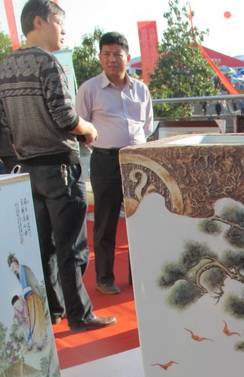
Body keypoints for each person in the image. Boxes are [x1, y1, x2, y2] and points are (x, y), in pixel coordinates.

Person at [0, 1, 116, 332]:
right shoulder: (48, 63)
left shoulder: (5, 66)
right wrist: (88, 128)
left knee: (44, 245)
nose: (63, 31)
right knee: (71, 247)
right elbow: (65, 116)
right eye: (59, 23)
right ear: (39, 21)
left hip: (26, 168)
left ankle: (54, 310)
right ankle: (80, 315)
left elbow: (3, 122)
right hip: (59, 167)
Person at [76, 32, 153, 295]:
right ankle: (104, 278)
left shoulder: (141, 89)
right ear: (100, 57)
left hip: (138, 162)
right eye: (106, 54)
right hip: (106, 161)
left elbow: (147, 126)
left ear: (127, 57)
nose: (112, 59)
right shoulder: (89, 89)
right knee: (106, 223)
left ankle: (139, 277)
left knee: (141, 220)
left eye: (117, 54)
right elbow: (81, 125)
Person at [7, 254, 48, 350]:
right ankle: (38, 343)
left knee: (37, 321)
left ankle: (41, 342)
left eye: (13, 266)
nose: (13, 269)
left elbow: (33, 282)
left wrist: (35, 294)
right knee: (33, 321)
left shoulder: (24, 269)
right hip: (28, 300)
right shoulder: (18, 274)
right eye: (11, 268)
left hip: (33, 296)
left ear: (16, 262)